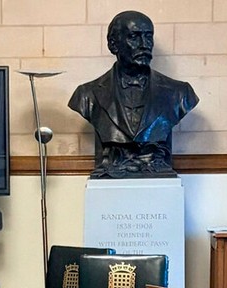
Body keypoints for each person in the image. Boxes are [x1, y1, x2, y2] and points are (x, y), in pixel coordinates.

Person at [67, 10, 199, 178]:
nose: (144, 44)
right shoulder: (87, 95)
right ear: (113, 44)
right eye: (134, 37)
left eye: (148, 37)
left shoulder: (180, 94)